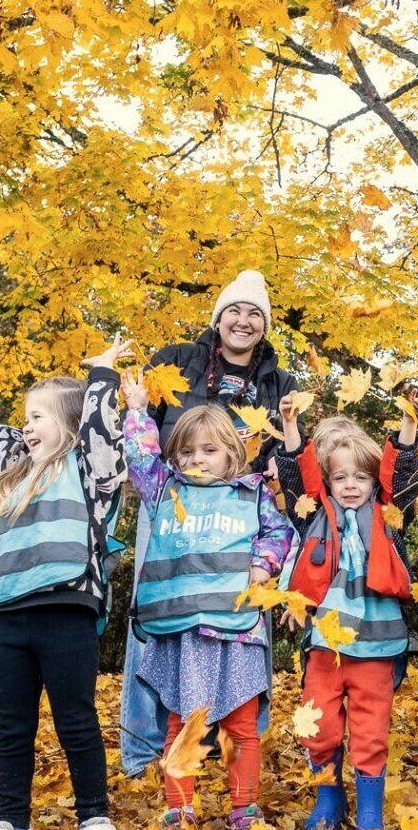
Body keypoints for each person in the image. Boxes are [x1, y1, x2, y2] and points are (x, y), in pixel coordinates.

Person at [121, 270, 297, 778]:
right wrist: (135, 413)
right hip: (174, 515)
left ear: (264, 325)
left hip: (238, 519)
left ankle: (237, 738)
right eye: (234, 311)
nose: (243, 321)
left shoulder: (278, 383)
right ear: (218, 318)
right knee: (159, 625)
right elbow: (144, 447)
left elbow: (287, 455)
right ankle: (144, 749)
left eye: (255, 314)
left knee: (237, 630)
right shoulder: (178, 360)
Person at [0, 338, 130, 830]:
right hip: (13, 615)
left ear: (70, 423)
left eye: (38, 416)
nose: (25, 426)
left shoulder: (90, 470)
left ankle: (95, 822)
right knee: (12, 726)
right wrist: (31, 427)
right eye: (25, 417)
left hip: (67, 610)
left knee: (76, 721)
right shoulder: (18, 473)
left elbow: (101, 431)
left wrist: (100, 378)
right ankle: (11, 825)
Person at [121, 390, 292, 830]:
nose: (197, 458)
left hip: (235, 630)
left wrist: (263, 563)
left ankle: (244, 809)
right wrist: (137, 411)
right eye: (187, 450)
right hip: (182, 630)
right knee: (182, 720)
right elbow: (140, 455)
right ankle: (179, 810)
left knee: (241, 725)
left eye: (210, 450)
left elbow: (279, 532)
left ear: (232, 453)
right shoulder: (164, 490)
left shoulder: (251, 494)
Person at [274, 392, 418, 830]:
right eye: (340, 477)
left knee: (370, 729)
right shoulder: (315, 515)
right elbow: (295, 476)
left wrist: (409, 426)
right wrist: (290, 426)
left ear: (375, 481)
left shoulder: (389, 517)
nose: (352, 484)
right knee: (317, 724)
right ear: (328, 482)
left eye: (361, 476)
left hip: (377, 643)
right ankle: (329, 798)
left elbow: (407, 477)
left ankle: (370, 813)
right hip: (325, 643)